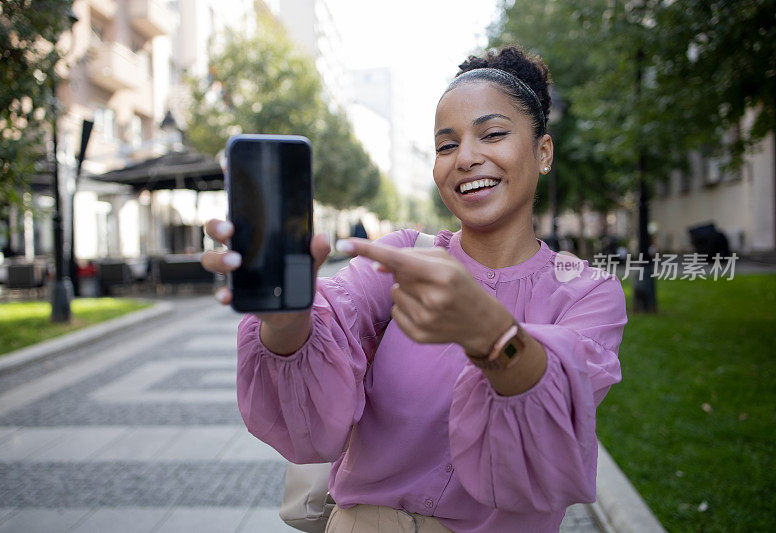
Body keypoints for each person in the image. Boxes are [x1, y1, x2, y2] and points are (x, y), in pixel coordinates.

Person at [202, 45, 627, 532]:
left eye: (492, 134)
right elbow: (325, 337)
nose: (466, 157)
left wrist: (488, 332)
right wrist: (286, 321)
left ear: (543, 151)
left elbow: (550, 423)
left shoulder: (586, 292)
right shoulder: (401, 257)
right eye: (446, 146)